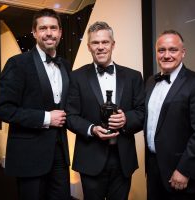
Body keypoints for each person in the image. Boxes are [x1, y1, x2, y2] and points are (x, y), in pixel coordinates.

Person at [0, 8, 71, 200]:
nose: (49, 33)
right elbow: (3, 109)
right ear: (34, 32)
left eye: (53, 28)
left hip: (60, 154)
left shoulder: (66, 65)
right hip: (29, 156)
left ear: (60, 32)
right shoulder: (18, 63)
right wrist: (46, 118)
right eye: (43, 28)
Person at [66, 21, 145, 200]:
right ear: (88, 47)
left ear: (113, 44)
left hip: (123, 160)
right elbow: (70, 116)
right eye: (95, 43)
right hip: (90, 159)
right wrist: (92, 129)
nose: (100, 47)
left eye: (105, 42)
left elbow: (142, 112)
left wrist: (126, 120)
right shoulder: (76, 77)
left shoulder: (133, 76)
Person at [144, 30, 195, 200]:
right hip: (154, 169)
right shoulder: (150, 82)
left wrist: (185, 170)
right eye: (161, 50)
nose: (166, 55)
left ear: (183, 53)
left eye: (173, 50)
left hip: (180, 171)